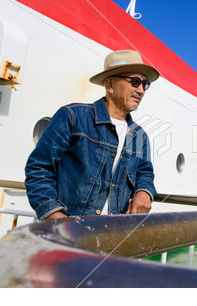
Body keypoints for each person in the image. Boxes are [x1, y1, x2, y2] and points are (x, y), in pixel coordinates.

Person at [25, 50, 159, 220]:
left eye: (144, 84)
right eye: (135, 82)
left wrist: (144, 191)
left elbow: (145, 173)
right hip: (67, 231)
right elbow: (39, 167)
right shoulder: (72, 116)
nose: (141, 90)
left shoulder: (140, 136)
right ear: (110, 85)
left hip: (113, 234)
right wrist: (53, 215)